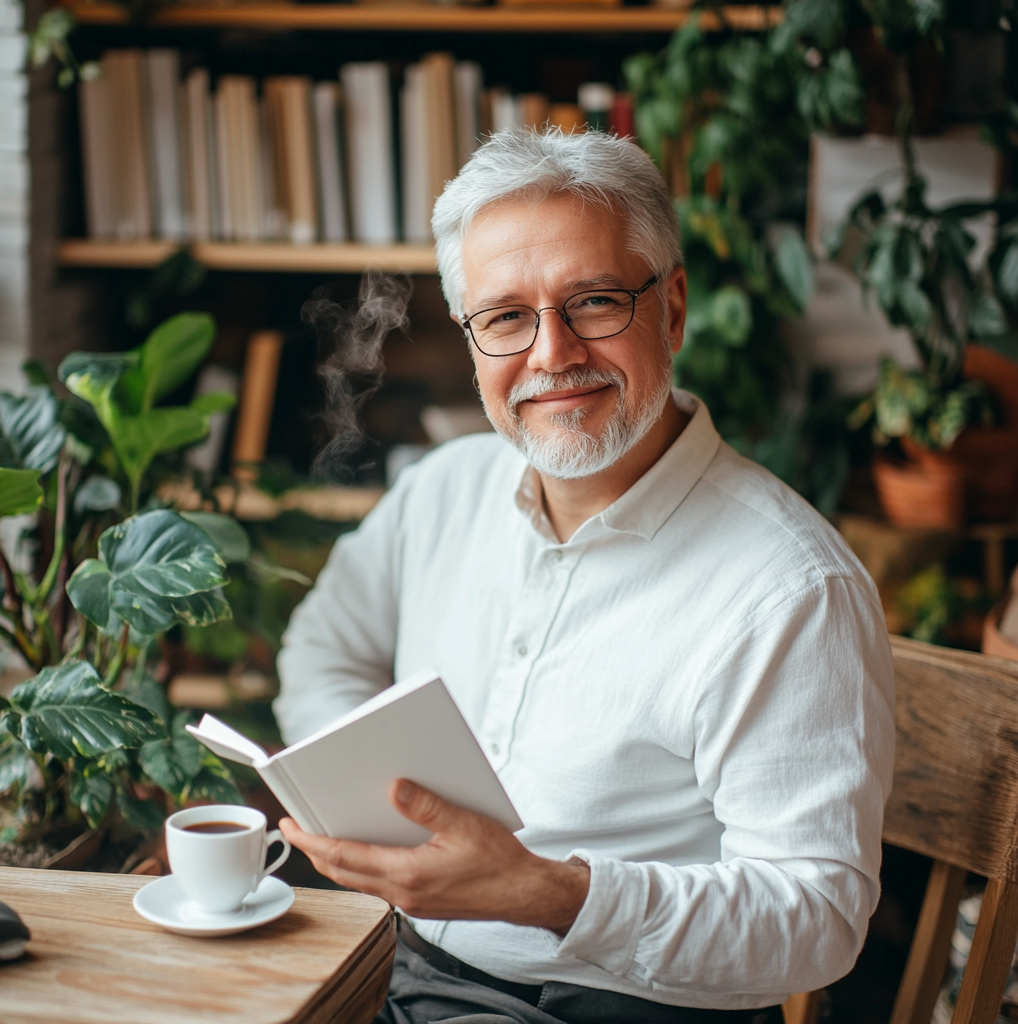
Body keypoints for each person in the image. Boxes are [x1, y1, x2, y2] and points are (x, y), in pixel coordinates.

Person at [274, 128, 895, 1024]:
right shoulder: (443, 489)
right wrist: (375, 810)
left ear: (672, 310)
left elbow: (816, 921)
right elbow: (323, 644)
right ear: (472, 338)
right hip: (389, 960)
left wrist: (545, 892)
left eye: (596, 301)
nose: (553, 354)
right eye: (505, 317)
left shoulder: (790, 588)